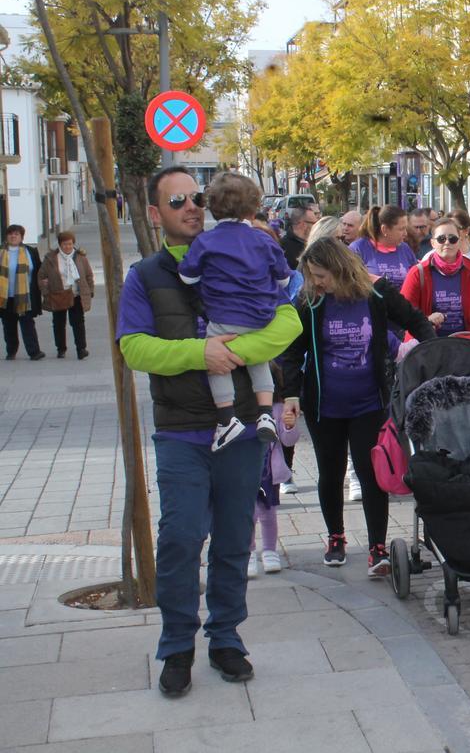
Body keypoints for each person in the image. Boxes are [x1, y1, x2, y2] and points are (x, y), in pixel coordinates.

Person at [116, 165, 301, 696]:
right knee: (179, 539)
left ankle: (226, 638)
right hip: (182, 430)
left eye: (196, 197)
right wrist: (201, 353)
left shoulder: (243, 249)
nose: (191, 207)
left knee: (231, 539)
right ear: (155, 215)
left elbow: (285, 321)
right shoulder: (145, 276)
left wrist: (232, 352)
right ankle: (176, 646)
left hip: (240, 426)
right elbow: (134, 347)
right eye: (176, 202)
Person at [280, 238, 435, 575]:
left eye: (321, 275)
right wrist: (290, 394)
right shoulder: (311, 300)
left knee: (371, 474)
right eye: (312, 276)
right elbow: (290, 351)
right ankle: (336, 537)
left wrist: (432, 357)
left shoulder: (376, 293)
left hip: (369, 402)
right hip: (325, 405)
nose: (317, 282)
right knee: (331, 473)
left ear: (339, 268)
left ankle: (377, 547)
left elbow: (417, 321)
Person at [178, 173, 290, 451]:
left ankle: (227, 418)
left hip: (224, 319)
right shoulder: (263, 240)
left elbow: (188, 277)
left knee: (216, 362)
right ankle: (265, 413)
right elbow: (284, 278)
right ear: (253, 208)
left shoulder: (206, 241)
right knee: (259, 359)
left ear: (212, 207)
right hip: (261, 317)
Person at [400, 217, 470, 338]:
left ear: (459, 241)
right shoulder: (417, 273)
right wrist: (427, 320)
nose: (447, 242)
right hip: (427, 346)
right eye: (441, 239)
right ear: (432, 243)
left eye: (452, 239)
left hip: (465, 346)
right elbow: (404, 315)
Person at [248, 368, 301, 578]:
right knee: (248, 513)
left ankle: (269, 550)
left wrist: (289, 426)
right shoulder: (242, 409)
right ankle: (249, 552)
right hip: (246, 469)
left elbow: (289, 441)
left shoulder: (278, 409)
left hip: (269, 471)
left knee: (268, 513)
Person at [38, 229, 94, 360]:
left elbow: (88, 275)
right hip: (59, 294)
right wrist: (45, 291)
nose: (67, 247)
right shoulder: (51, 258)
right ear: (60, 245)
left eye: (70, 244)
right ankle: (61, 349)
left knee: (78, 322)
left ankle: (81, 349)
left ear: (73, 243)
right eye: (64, 244)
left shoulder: (80, 257)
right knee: (58, 323)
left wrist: (90, 291)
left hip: (76, 294)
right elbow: (41, 276)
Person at [1, 224, 45, 360]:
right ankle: (11, 351)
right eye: (10, 234)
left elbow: (39, 270)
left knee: (27, 324)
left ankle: (34, 352)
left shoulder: (30, 251)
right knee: (9, 326)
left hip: (25, 296)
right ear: (7, 236)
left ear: (21, 237)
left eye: (16, 234)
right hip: (6, 297)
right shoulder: (2, 252)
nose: (13, 236)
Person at [349, 205, 417, 287]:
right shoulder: (358, 248)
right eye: (401, 229)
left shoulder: (405, 249)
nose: (405, 234)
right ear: (384, 229)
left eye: (406, 229)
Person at [280, 203, 318, 269]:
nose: (317, 227)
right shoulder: (282, 248)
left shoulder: (316, 243)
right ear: (303, 224)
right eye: (315, 223)